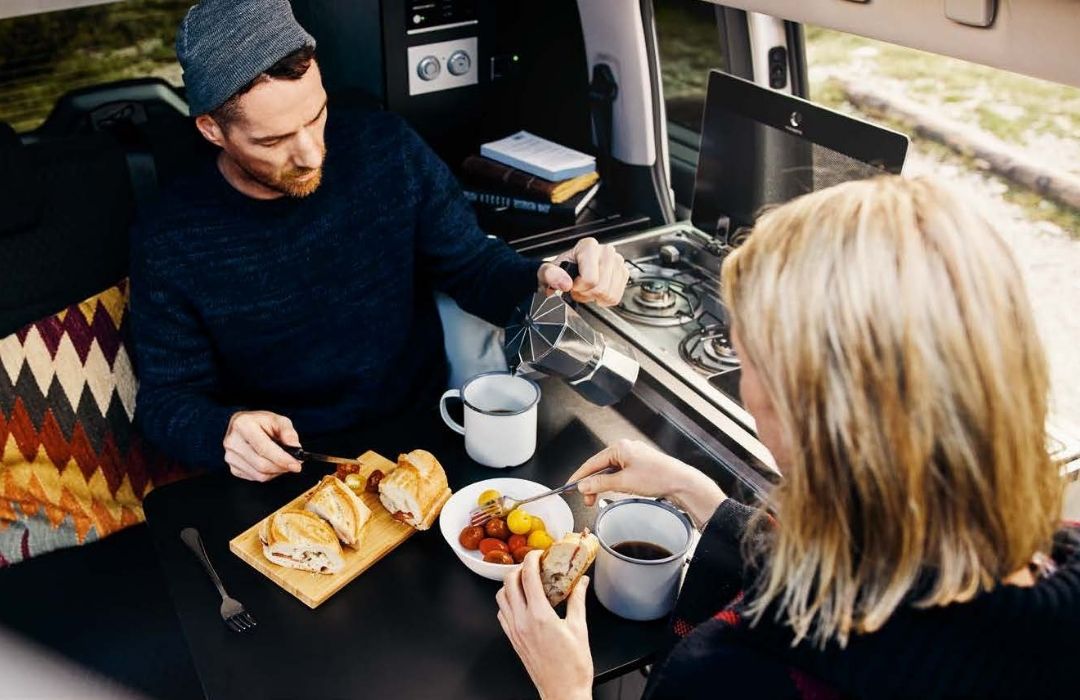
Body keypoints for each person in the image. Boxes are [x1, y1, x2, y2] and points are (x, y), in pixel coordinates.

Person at [496, 176, 1078, 698]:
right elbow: (871, 578)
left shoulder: (735, 673)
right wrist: (706, 501)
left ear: (813, 417)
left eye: (745, 361)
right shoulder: (1063, 562)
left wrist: (567, 690)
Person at [129, 0, 628, 480]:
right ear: (212, 129)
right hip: (297, 463)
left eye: (316, 116)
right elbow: (167, 399)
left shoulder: (388, 150)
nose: (309, 154)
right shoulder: (170, 237)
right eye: (273, 140)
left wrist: (547, 275)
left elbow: (473, 266)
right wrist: (223, 432)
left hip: (425, 434)